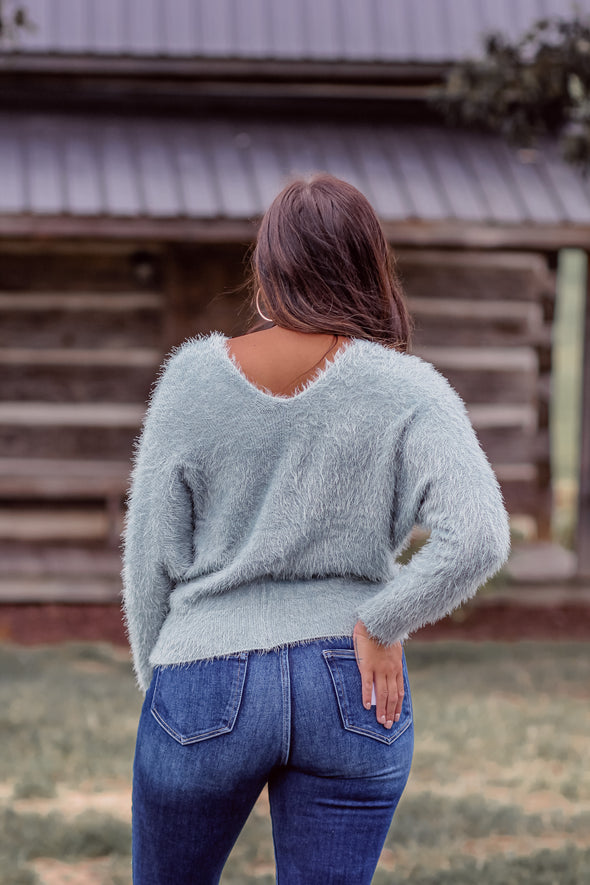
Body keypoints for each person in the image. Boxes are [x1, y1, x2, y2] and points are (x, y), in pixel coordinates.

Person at [121, 173, 510, 884]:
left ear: (267, 268)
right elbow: (479, 534)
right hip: (353, 685)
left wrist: (167, 680)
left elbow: (151, 560)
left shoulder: (190, 380)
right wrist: (383, 621)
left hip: (203, 679)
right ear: (370, 266)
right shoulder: (411, 387)